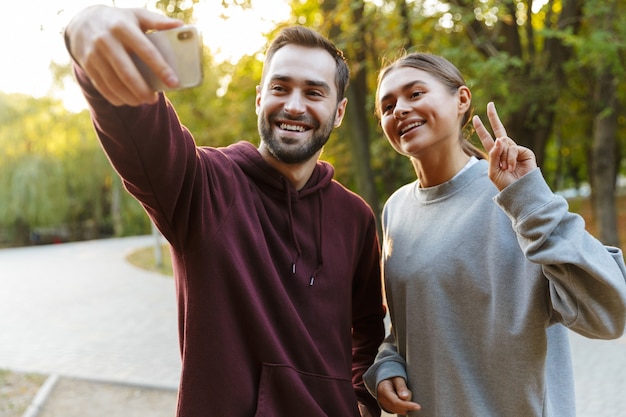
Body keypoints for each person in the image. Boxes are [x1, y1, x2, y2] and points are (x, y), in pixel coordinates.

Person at [63, 6, 386, 417]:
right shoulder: (203, 186)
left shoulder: (355, 217)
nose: (293, 105)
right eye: (280, 87)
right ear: (259, 98)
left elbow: (367, 330)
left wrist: (361, 400)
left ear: (339, 111)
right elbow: (136, 124)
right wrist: (84, 29)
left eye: (314, 92)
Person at [362, 52, 626, 416]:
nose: (400, 109)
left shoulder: (513, 194)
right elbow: (413, 322)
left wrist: (530, 200)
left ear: (462, 99)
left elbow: (611, 313)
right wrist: (388, 364)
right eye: (387, 106)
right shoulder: (396, 210)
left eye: (415, 93)